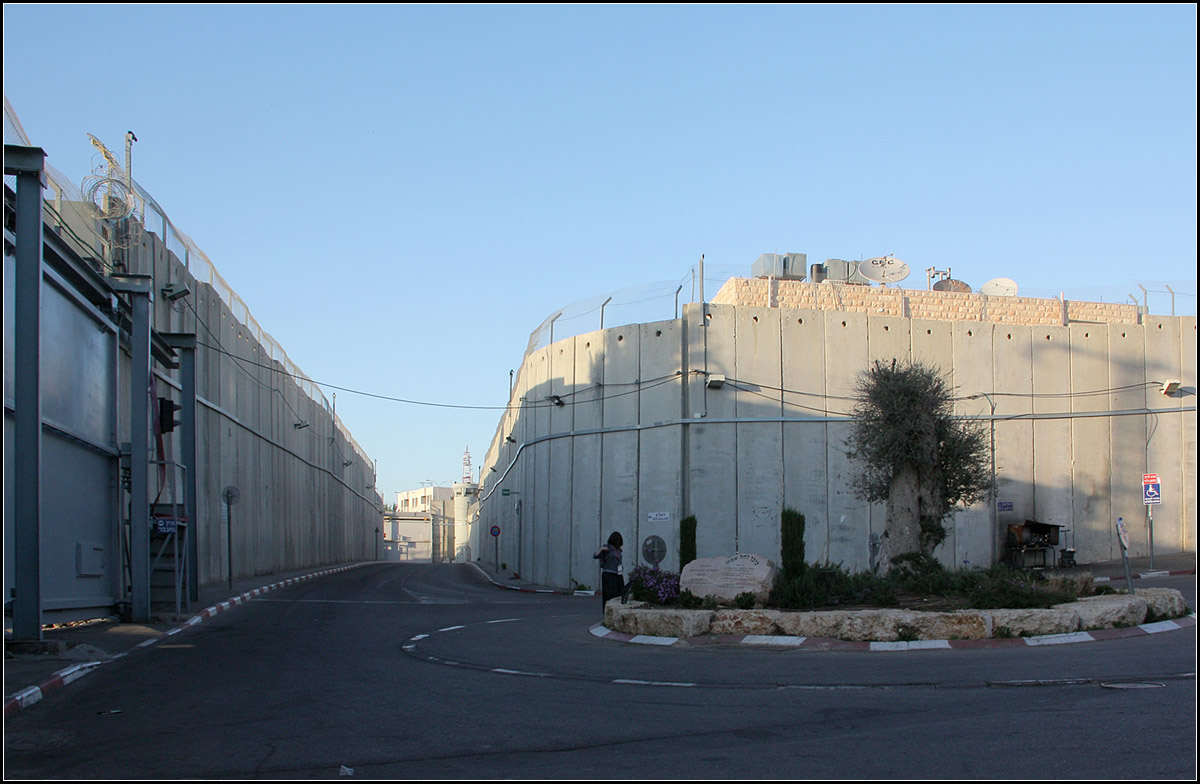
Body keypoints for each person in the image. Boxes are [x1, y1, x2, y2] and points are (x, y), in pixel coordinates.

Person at [593, 531, 624, 611]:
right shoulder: (607, 548)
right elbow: (595, 555)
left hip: (618, 573)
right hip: (609, 573)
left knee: (620, 593)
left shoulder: (618, 550)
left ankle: (618, 609)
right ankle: (608, 610)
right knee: (610, 594)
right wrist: (601, 549)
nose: (618, 543)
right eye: (617, 541)